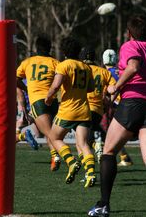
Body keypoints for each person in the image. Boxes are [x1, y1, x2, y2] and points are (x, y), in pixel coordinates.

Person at [88, 15, 146, 217]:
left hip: (133, 104)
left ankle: (103, 204)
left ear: (129, 33)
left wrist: (115, 88)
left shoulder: (130, 46)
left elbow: (134, 66)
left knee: (108, 152)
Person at [45, 37, 96, 188]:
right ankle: (91, 174)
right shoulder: (86, 67)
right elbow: (91, 88)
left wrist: (48, 98)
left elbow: (55, 86)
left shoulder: (64, 65)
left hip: (68, 110)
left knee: (54, 137)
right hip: (84, 110)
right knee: (83, 143)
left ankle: (71, 162)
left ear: (64, 51)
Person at [16, 35, 61, 171]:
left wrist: (26, 89)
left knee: (50, 134)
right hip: (52, 101)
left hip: (38, 102)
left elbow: (15, 79)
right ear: (50, 48)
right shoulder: (55, 62)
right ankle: (54, 157)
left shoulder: (27, 62)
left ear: (36, 48)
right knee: (50, 132)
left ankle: (60, 156)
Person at [77, 46, 116, 180]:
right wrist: (110, 102)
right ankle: (96, 144)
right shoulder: (103, 71)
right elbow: (114, 89)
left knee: (80, 142)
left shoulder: (81, 69)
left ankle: (89, 172)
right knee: (86, 139)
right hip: (98, 110)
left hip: (82, 109)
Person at [101, 49, 134, 167]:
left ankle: (121, 157)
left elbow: (106, 92)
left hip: (115, 105)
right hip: (128, 103)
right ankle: (124, 157)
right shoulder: (121, 71)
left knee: (109, 132)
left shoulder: (104, 73)